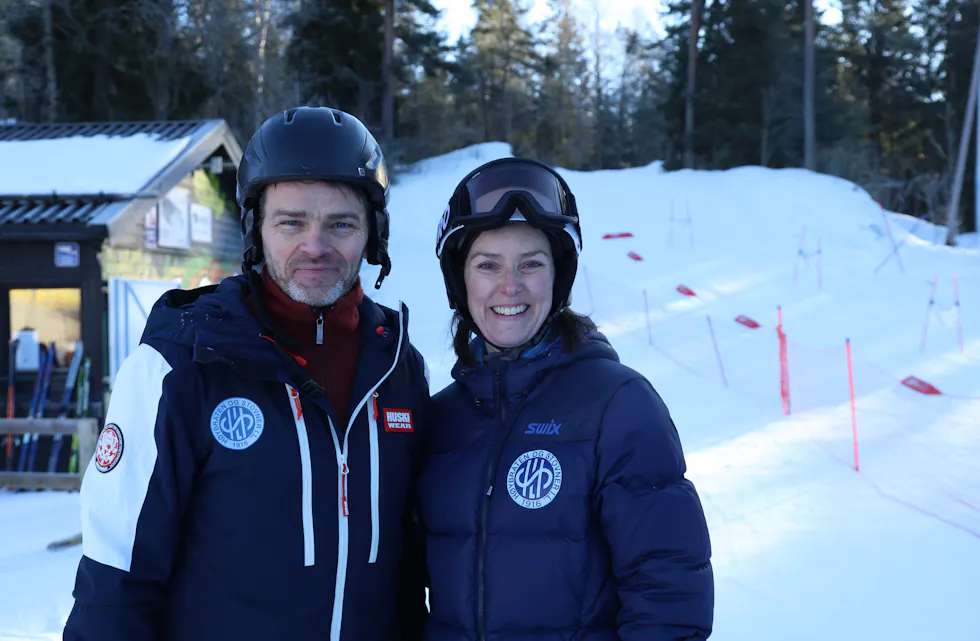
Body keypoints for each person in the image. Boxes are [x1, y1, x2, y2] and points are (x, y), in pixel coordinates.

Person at [63, 106, 430, 641]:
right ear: (255, 228)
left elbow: (412, 571)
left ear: (373, 233)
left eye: (341, 224)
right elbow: (116, 577)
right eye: (291, 222)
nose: (315, 246)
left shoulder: (397, 366)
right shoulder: (181, 362)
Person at [418, 157, 714, 640]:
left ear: (558, 277)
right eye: (487, 265)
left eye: (531, 264)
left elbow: (668, 594)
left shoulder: (618, 405)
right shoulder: (441, 418)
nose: (510, 285)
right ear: (460, 279)